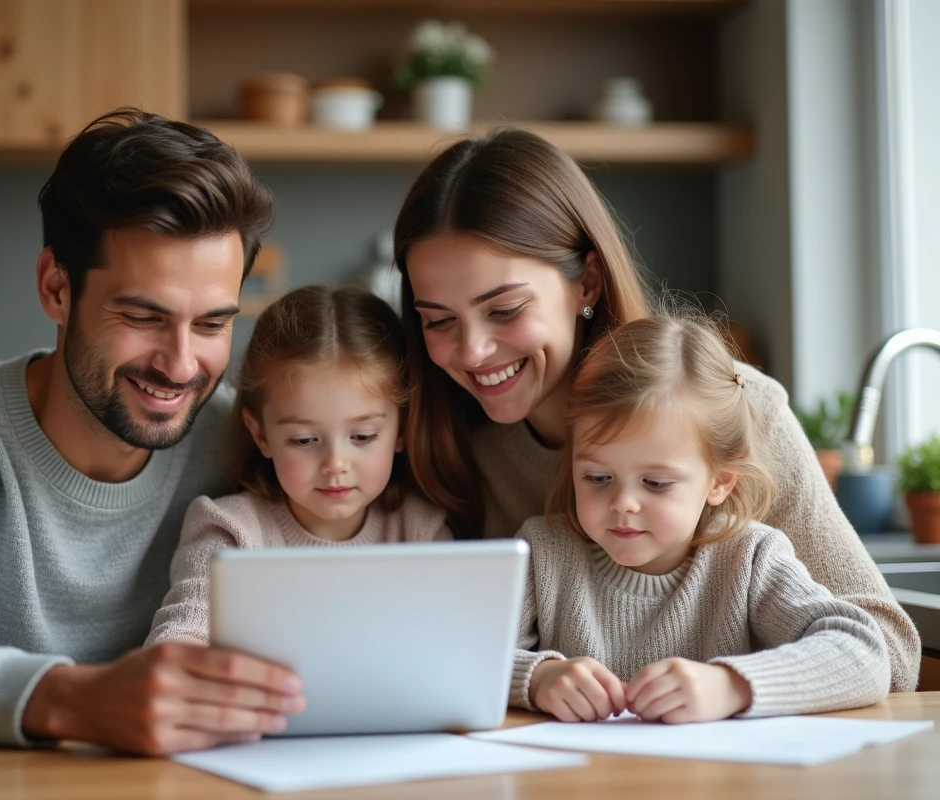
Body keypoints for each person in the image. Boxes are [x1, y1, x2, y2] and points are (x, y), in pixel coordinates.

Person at [0, 109, 308, 756]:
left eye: (212, 325)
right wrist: (80, 700)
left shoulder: (245, 440)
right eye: (142, 316)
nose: (181, 364)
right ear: (56, 287)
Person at [393, 127, 920, 692]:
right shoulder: (444, 442)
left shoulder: (738, 413)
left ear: (587, 282)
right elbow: (435, 651)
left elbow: (888, 651)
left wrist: (734, 686)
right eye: (439, 320)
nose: (471, 351)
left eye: (504, 310)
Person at [510, 314, 890, 722]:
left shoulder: (750, 558)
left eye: (655, 483)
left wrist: (731, 686)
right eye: (597, 477)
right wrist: (537, 678)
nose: (623, 503)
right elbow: (454, 657)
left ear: (720, 482)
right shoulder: (541, 553)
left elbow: (864, 651)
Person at [148, 286, 451, 646]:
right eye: (305, 440)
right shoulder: (230, 532)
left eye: (364, 436)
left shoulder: (422, 532)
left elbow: (467, 643)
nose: (335, 465)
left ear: (402, 429)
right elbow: (184, 631)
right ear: (260, 435)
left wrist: (532, 676)